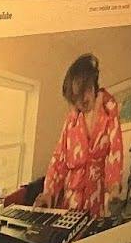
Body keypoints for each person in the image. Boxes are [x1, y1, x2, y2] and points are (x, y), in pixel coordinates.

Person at [40, 53, 124, 218]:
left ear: (92, 84)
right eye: (75, 100)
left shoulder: (109, 110)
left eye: (83, 99)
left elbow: (115, 152)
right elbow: (59, 158)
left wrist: (113, 189)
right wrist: (48, 192)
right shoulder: (71, 119)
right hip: (71, 202)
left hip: (96, 199)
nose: (80, 104)